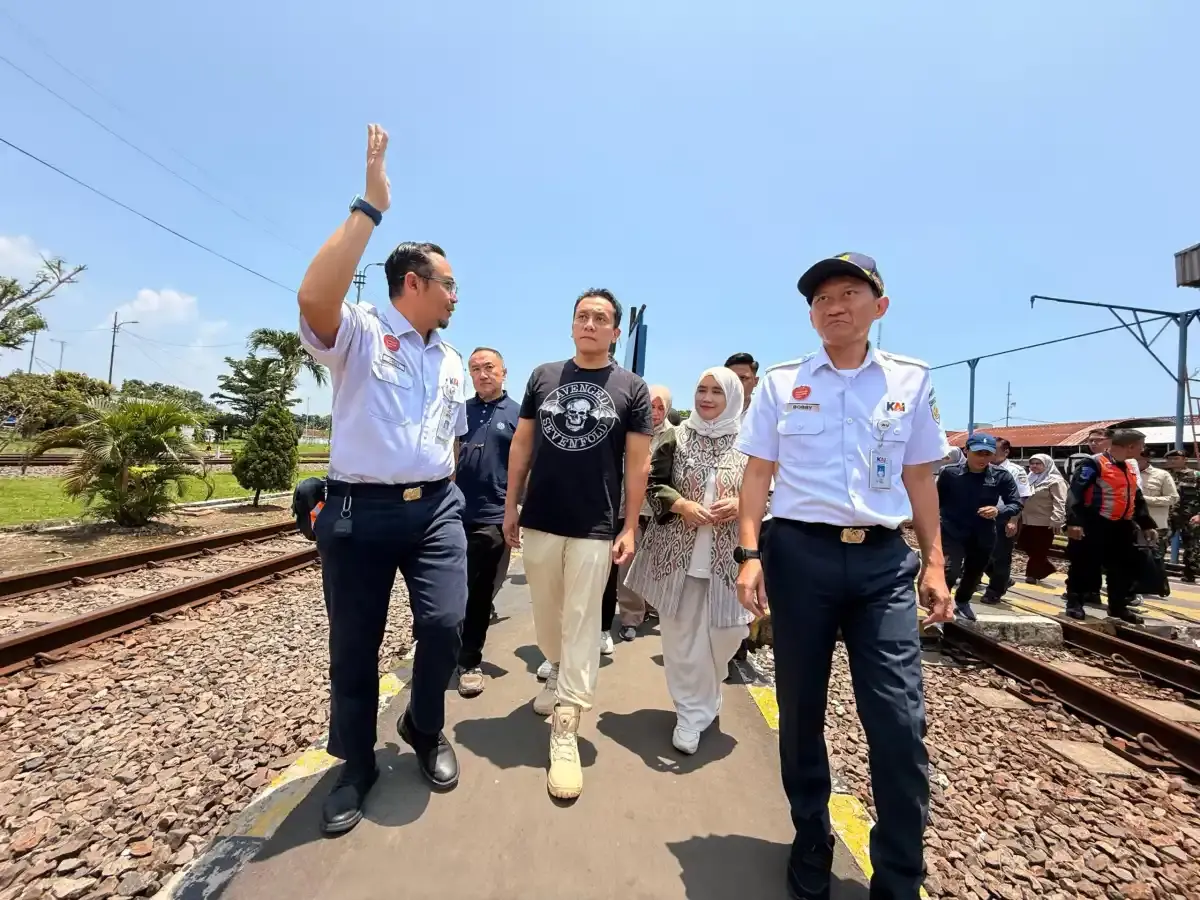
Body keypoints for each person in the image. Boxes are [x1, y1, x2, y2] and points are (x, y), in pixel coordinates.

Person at [735, 252, 953, 900]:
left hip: (884, 563)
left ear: (878, 307)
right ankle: (811, 838)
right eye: (822, 298)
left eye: (849, 293)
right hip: (800, 558)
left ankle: (899, 878)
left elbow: (920, 477)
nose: (834, 306)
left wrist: (936, 562)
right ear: (811, 314)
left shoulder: (910, 382)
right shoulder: (781, 384)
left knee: (897, 720)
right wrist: (750, 554)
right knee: (800, 713)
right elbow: (755, 476)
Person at [297, 125, 467, 833]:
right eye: (449, 283)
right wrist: (369, 208)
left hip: (436, 509)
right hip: (360, 512)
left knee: (445, 622)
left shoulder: (452, 359)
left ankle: (426, 730)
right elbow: (312, 300)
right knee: (356, 641)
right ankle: (356, 762)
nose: (457, 294)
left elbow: (448, 441)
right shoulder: (363, 330)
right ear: (415, 284)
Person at [503, 288, 653, 800]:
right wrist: (511, 505)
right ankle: (556, 669)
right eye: (583, 316)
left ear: (614, 331)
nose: (591, 324)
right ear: (572, 326)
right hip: (542, 518)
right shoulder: (543, 377)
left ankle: (566, 725)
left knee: (585, 619)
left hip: (596, 524)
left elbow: (638, 464)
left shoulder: (631, 388)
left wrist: (629, 524)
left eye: (602, 318)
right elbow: (522, 442)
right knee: (547, 616)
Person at [625, 367, 749, 755]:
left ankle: (707, 691)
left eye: (717, 392)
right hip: (675, 555)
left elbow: (772, 491)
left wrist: (744, 504)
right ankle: (689, 715)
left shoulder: (751, 442)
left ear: (733, 398)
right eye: (701, 390)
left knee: (727, 634)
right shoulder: (677, 437)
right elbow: (655, 481)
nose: (707, 398)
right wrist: (679, 504)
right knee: (679, 640)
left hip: (729, 559)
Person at [455, 347, 522, 697]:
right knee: (449, 590)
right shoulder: (460, 412)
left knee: (480, 594)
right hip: (452, 516)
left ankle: (469, 661)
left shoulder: (519, 414)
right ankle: (444, 648)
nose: (482, 374)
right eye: (475, 369)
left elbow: (527, 467)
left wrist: (518, 510)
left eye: (489, 368)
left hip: (494, 517)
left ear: (503, 372)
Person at [1063, 429, 1158, 623]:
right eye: (1141, 445)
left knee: (1123, 568)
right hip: (1094, 523)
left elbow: (1136, 497)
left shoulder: (1130, 467)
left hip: (1122, 526)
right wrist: (1074, 522)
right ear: (1130, 446)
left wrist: (1146, 523)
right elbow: (1075, 493)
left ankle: (1118, 606)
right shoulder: (1093, 464)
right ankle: (1075, 603)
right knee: (1084, 565)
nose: (1143, 449)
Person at [936, 433, 1021, 621]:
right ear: (966, 451)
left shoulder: (1001, 476)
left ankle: (963, 601)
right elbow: (936, 501)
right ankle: (939, 607)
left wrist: (999, 510)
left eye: (987, 454)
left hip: (983, 532)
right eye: (978, 453)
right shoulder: (949, 473)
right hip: (952, 530)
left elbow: (1015, 503)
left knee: (974, 572)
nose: (983, 458)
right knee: (950, 570)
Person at [614, 383, 674, 643]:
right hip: (634, 510)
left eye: (661, 407)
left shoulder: (677, 436)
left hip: (664, 513)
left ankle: (654, 606)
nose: (655, 412)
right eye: (650, 406)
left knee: (659, 564)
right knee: (629, 564)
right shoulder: (630, 433)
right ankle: (630, 617)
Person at [981, 437, 1031, 604]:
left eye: (994, 449)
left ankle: (995, 590)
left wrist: (1013, 520)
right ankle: (1003, 579)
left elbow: (1022, 497)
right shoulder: (982, 467)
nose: (990, 453)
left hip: (1004, 517)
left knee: (1000, 556)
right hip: (982, 516)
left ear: (1006, 452)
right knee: (978, 554)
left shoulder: (1016, 471)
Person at [1016, 454, 1067, 584]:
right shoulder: (1029, 478)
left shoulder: (1055, 480)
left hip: (1045, 520)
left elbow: (1060, 501)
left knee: (1039, 549)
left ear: (1047, 465)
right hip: (1027, 519)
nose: (1034, 466)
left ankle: (1032, 574)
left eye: (1038, 463)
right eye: (1032, 463)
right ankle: (1046, 567)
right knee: (1023, 543)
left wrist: (1057, 519)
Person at [1167, 450, 1200, 581]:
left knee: (1192, 546)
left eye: (1176, 458)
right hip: (1170, 516)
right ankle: (1156, 573)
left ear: (1185, 459)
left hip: (1190, 516)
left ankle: (1190, 574)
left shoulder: (1196, 475)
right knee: (1161, 543)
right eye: (1170, 459)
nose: (1172, 461)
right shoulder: (1165, 475)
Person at [724, 352, 760, 418]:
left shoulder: (765, 411)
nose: (737, 383)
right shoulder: (711, 409)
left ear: (755, 381)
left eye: (743, 378)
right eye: (732, 378)